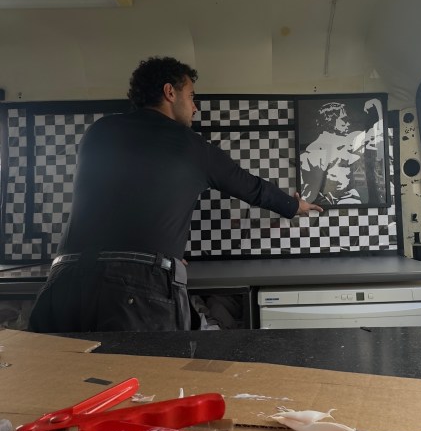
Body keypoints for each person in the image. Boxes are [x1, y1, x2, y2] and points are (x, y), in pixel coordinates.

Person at [28, 56, 322, 333]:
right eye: (191, 96)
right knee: (145, 371)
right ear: (170, 92)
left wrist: (160, 252)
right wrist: (294, 206)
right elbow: (250, 187)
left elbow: (122, 197)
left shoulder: (98, 132)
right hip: (136, 290)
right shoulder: (192, 147)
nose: (195, 108)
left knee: (64, 370)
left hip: (64, 278)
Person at [299, 98, 384, 207]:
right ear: (330, 120)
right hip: (334, 200)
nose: (348, 123)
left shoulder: (312, 149)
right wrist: (376, 104)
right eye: (343, 119)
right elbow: (377, 132)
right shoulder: (343, 143)